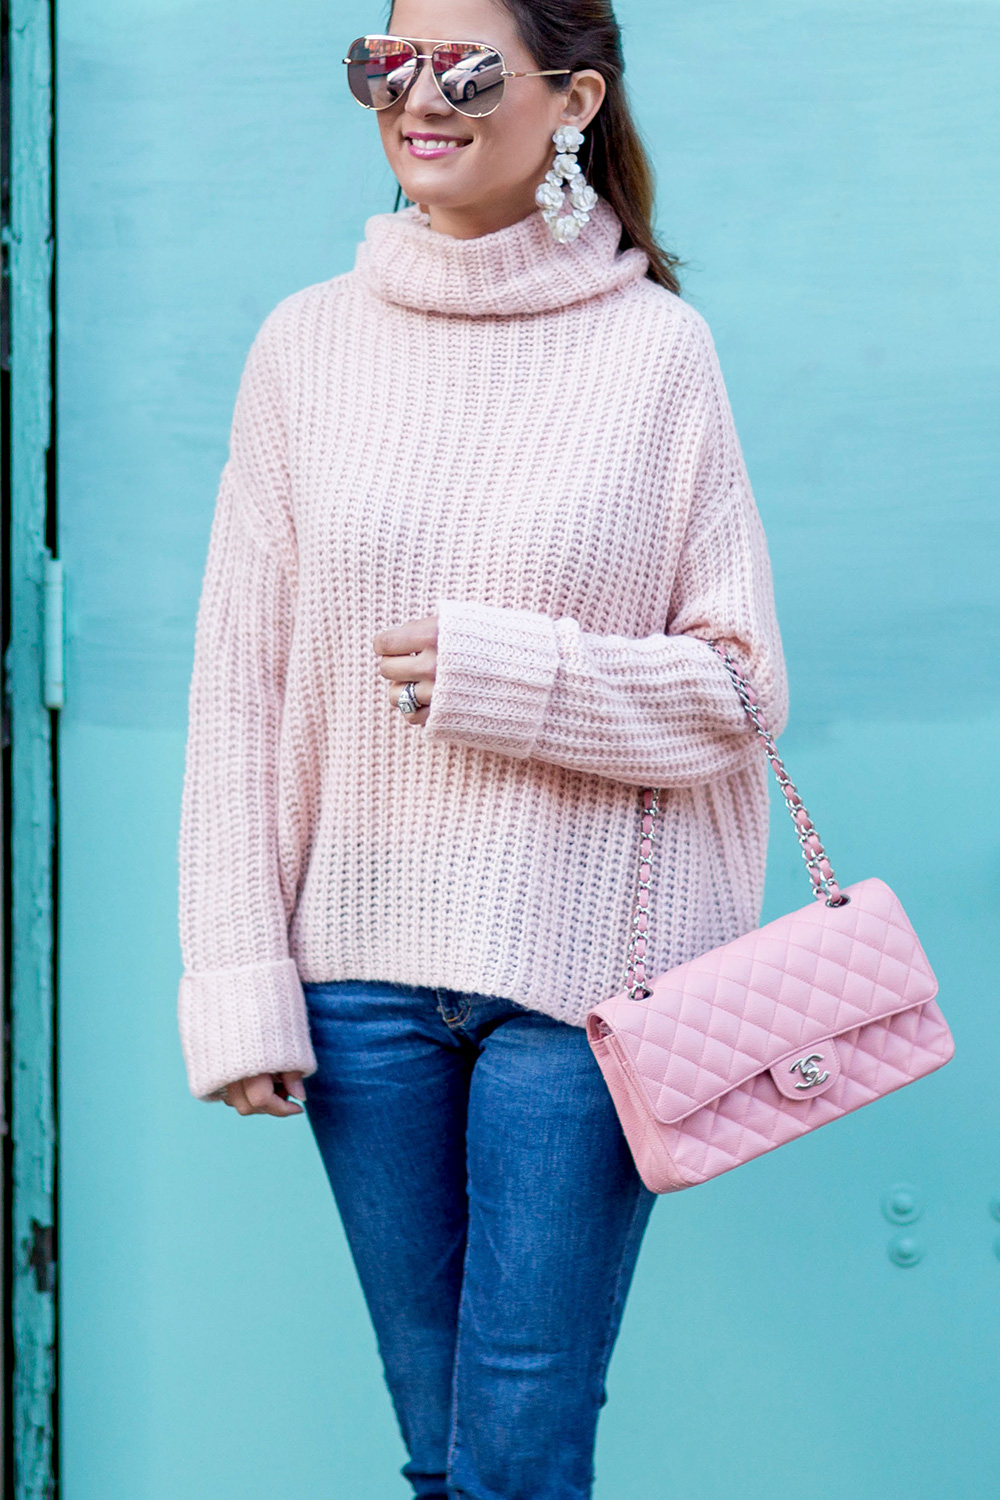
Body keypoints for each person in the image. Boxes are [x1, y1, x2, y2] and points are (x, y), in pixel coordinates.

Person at [177, 1, 788, 1495]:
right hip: (359, 983)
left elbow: (739, 686)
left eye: (462, 67)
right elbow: (238, 690)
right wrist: (239, 980)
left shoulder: (659, 353)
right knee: (437, 1450)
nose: (414, 97)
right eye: (381, 64)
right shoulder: (304, 347)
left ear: (572, 99)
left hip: (590, 983)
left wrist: (511, 673)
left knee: (516, 1448)